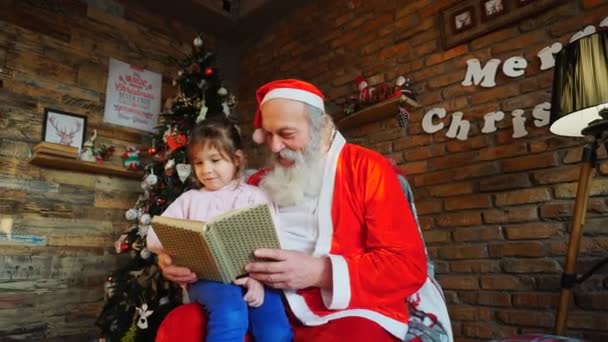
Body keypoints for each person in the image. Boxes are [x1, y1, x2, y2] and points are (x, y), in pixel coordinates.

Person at [156, 79, 453, 341]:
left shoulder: (367, 169)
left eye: (286, 133)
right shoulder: (256, 183)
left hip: (346, 309)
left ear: (321, 126)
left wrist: (320, 271)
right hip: (262, 300)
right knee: (182, 325)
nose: (274, 147)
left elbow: (407, 266)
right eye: (267, 135)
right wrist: (171, 259)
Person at [147, 119, 293, 342]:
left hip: (256, 277)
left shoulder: (256, 196)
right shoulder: (189, 199)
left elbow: (275, 242)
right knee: (231, 314)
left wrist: (259, 280)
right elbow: (154, 236)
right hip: (207, 280)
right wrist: (168, 254)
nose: (206, 170)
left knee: (276, 331)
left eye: (215, 160)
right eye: (198, 163)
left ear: (237, 159)